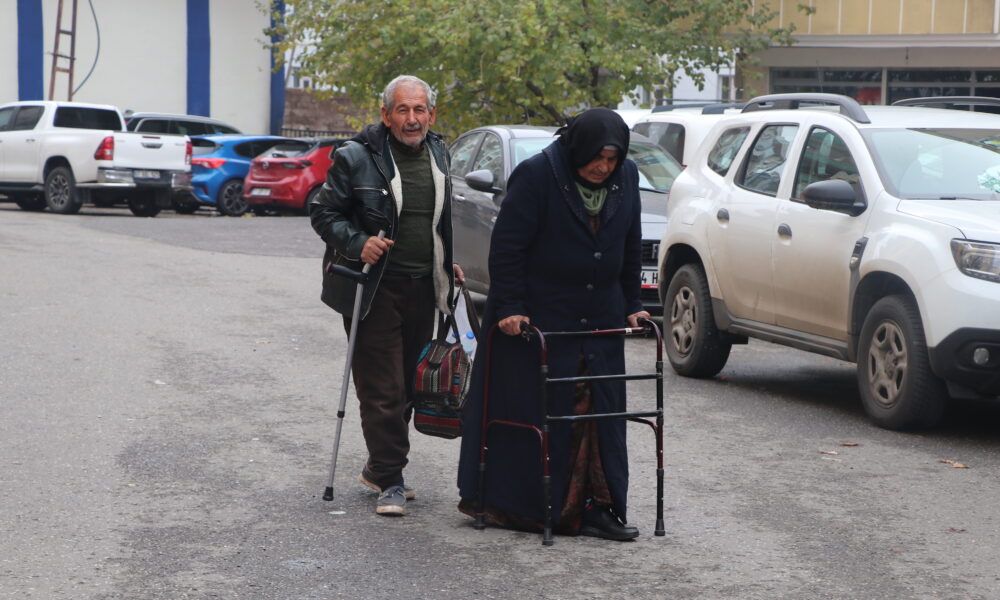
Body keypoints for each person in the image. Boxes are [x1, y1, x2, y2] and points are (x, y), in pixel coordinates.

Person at [456, 108, 650, 540]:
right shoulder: (538, 175)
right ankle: (532, 507)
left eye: (612, 159)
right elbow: (508, 247)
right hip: (541, 317)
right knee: (545, 413)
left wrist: (633, 304)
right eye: (597, 157)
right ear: (578, 149)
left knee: (599, 415)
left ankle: (595, 507)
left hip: (599, 318)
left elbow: (630, 242)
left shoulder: (626, 176)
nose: (603, 167)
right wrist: (509, 306)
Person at [310, 75, 463, 516]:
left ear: (431, 114)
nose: (412, 119)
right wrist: (359, 243)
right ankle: (391, 478)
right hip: (372, 287)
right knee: (383, 389)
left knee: (413, 385)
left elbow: (437, 221)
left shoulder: (439, 153)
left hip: (423, 286)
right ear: (386, 115)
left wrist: (446, 262)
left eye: (419, 110)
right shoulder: (355, 157)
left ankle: (379, 467)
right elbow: (323, 211)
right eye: (403, 110)